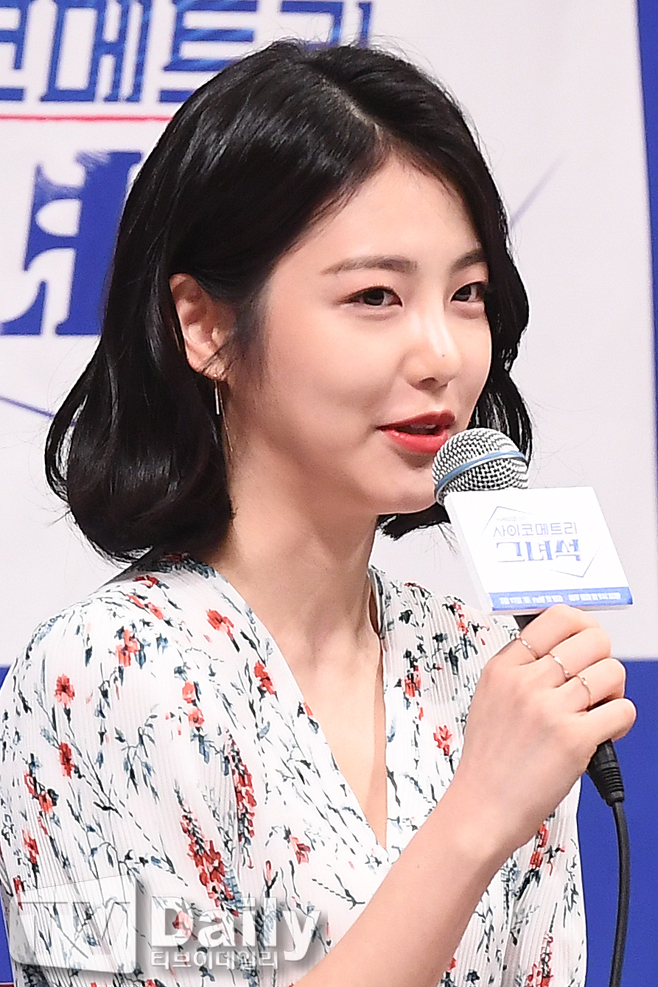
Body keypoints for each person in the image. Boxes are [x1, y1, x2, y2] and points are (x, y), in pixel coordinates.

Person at [0, 40, 634, 987]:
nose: (442, 354)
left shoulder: (481, 665)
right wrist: (474, 820)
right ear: (206, 324)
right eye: (376, 295)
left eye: (466, 294)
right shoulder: (103, 676)